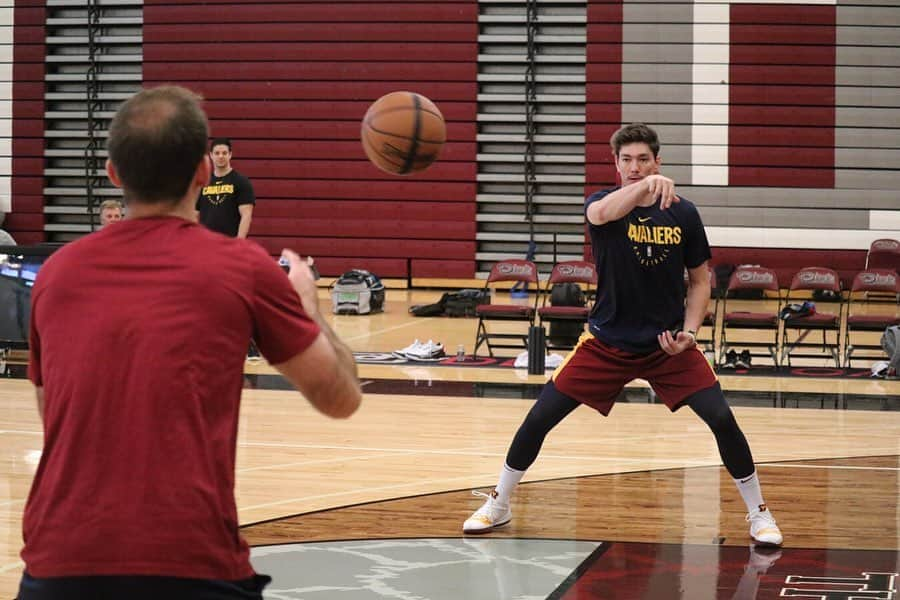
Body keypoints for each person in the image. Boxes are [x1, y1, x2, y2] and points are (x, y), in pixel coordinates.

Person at [18, 85, 362, 600]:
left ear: (114, 174)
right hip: (189, 563)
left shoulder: (55, 274)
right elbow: (341, 398)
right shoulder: (243, 268)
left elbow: (54, 415)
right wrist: (311, 311)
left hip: (57, 564)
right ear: (204, 171)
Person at [462, 123, 782, 548]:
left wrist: (689, 332)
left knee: (722, 418)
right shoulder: (602, 204)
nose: (635, 167)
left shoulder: (683, 213)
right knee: (539, 418)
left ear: (658, 160)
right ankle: (499, 502)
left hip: (666, 346)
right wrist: (646, 187)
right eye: (626, 160)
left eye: (643, 160)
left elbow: (701, 282)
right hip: (606, 343)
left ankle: (759, 513)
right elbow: (602, 214)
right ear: (615, 165)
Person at [196, 137, 255, 238]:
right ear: (211, 155)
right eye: (217, 153)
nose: (220, 156)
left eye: (224, 153)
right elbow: (195, 215)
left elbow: (246, 216)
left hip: (230, 243)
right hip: (206, 242)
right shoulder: (203, 183)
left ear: (230, 154)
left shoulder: (241, 182)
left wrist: (239, 243)